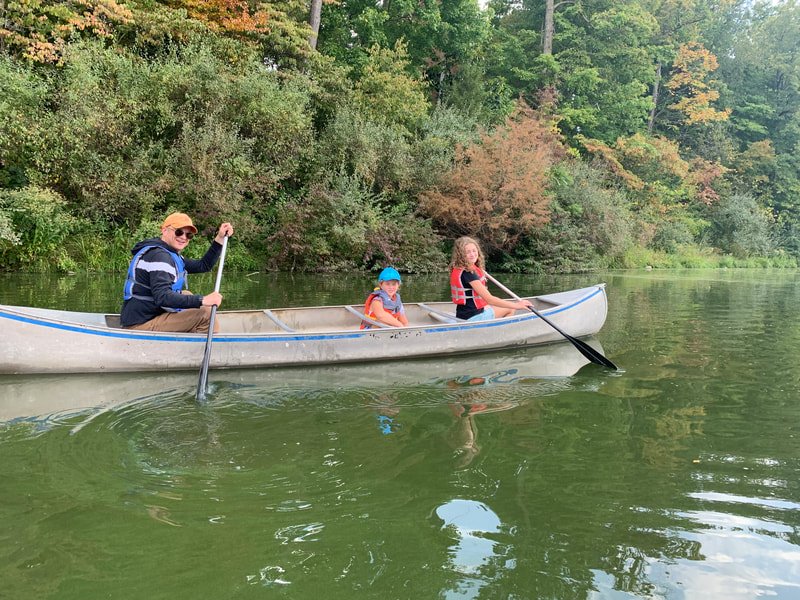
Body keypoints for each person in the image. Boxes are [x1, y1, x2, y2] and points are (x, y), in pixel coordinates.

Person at [120, 212, 234, 333]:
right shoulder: (160, 256)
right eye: (179, 232)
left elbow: (203, 265)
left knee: (186, 294)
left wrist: (220, 238)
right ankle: (198, 342)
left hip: (151, 314)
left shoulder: (169, 254)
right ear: (164, 231)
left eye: (188, 235)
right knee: (206, 313)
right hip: (141, 324)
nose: (183, 237)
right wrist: (202, 300)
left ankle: (190, 332)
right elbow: (162, 297)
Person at [450, 236, 532, 321]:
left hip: (464, 314)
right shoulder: (469, 273)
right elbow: (490, 300)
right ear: (461, 255)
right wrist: (518, 305)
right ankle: (500, 329)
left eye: (474, 250)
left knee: (492, 306)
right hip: (472, 317)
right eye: (468, 252)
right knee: (510, 308)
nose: (472, 254)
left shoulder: (460, 268)